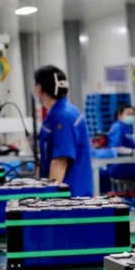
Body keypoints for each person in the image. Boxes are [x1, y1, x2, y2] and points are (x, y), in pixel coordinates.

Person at [35, 65, 93, 197]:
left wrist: (46, 199)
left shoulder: (63, 117)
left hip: (70, 198)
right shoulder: (55, 115)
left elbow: (60, 162)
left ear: (39, 88)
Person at [106, 104, 135, 183]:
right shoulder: (118, 127)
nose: (131, 117)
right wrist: (132, 151)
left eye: (132, 114)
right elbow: (116, 148)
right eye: (128, 114)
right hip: (119, 166)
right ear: (120, 115)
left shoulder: (125, 127)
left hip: (126, 164)